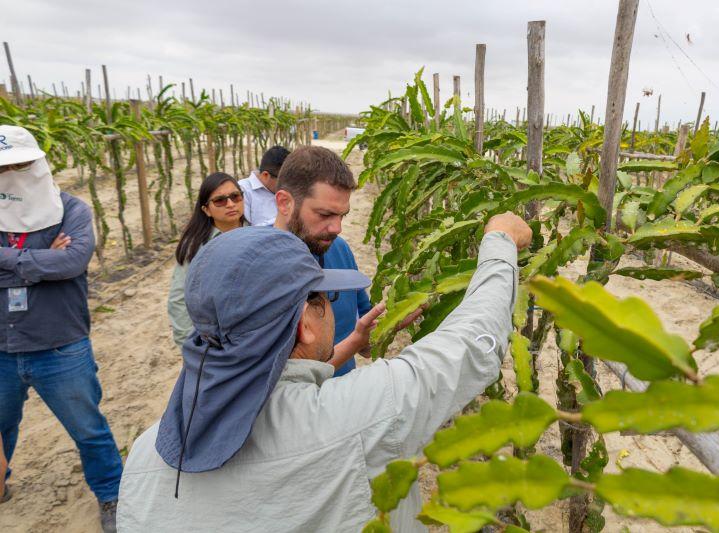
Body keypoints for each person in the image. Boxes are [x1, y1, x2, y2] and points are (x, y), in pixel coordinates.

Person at [117, 213, 531, 531]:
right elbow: (474, 342)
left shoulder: (145, 455)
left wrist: (349, 345)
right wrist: (500, 242)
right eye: (325, 296)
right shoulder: (364, 415)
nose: (333, 306)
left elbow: (271, 390)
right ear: (304, 323)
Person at [0, 125, 121, 532]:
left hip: (60, 345)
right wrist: (39, 263)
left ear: (37, 165)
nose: (11, 173)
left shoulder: (70, 210)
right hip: (2, 345)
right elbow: (54, 266)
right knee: (1, 428)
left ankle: (112, 495)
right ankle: (1, 481)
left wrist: (11, 263)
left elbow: (71, 263)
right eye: (3, 167)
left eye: (19, 165)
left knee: (88, 428)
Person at [274, 145, 419, 376]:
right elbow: (279, 382)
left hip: (343, 396)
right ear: (284, 203)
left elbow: (365, 344)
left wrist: (390, 323)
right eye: (325, 215)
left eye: (343, 215)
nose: (337, 228)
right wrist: (354, 341)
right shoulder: (258, 270)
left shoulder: (338, 248)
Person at [168, 172, 247, 347]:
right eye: (220, 200)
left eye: (236, 196)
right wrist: (187, 344)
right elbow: (179, 297)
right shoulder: (197, 246)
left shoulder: (256, 232)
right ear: (206, 210)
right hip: (216, 336)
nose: (231, 204)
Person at [238, 145, 290, 226]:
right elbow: (245, 231)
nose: (287, 184)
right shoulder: (243, 190)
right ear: (265, 175)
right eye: (283, 180)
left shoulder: (289, 189)